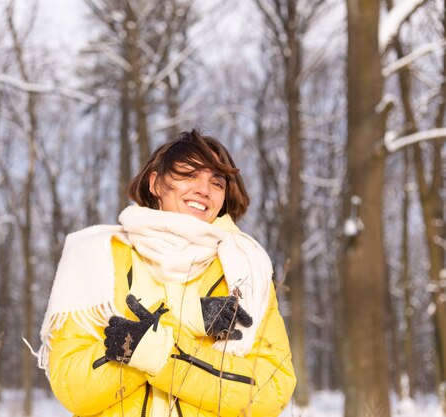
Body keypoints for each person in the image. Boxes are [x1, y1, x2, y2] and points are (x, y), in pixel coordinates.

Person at [36, 129, 296, 417]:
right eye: (189, 174)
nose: (203, 189)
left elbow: (273, 389)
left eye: (216, 182)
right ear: (156, 183)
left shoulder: (243, 271)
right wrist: (185, 320)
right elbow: (71, 385)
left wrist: (163, 356)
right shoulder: (98, 256)